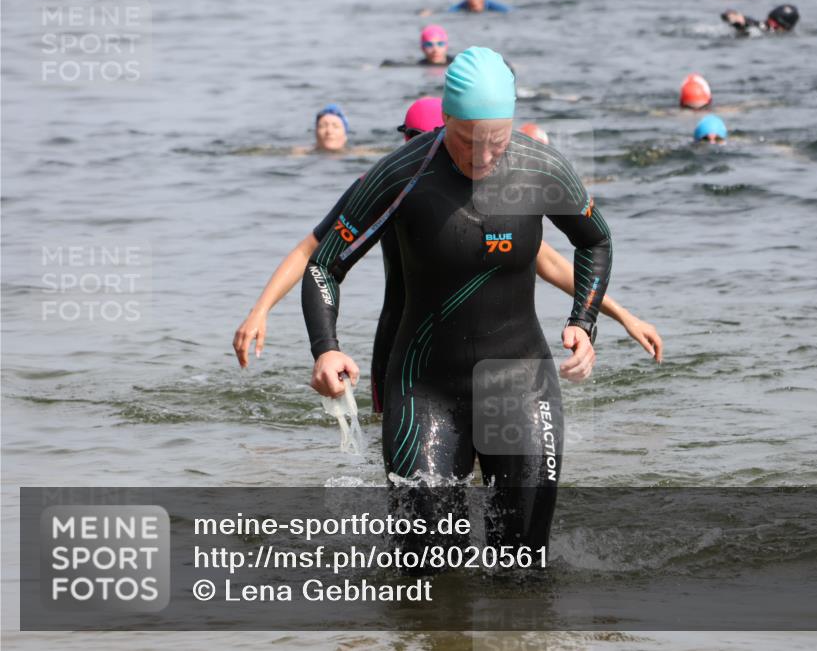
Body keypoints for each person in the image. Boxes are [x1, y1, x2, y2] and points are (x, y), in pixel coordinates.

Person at [301, 47, 609, 551]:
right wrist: (325, 347)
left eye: (497, 140)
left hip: (521, 386)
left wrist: (584, 320)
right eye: (468, 141)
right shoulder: (402, 175)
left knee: (523, 565)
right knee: (425, 568)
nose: (484, 156)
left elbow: (594, 239)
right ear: (444, 120)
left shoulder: (541, 167)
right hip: (425, 391)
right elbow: (323, 264)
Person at [235, 100, 661, 409]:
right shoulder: (387, 184)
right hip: (403, 349)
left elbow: (548, 260)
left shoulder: (487, 190)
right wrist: (261, 309)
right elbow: (315, 253)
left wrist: (620, 316)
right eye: (420, 143)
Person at [722, 4, 799, 35]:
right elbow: (742, 20)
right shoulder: (757, 25)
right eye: (770, 21)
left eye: (775, 24)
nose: (771, 24)